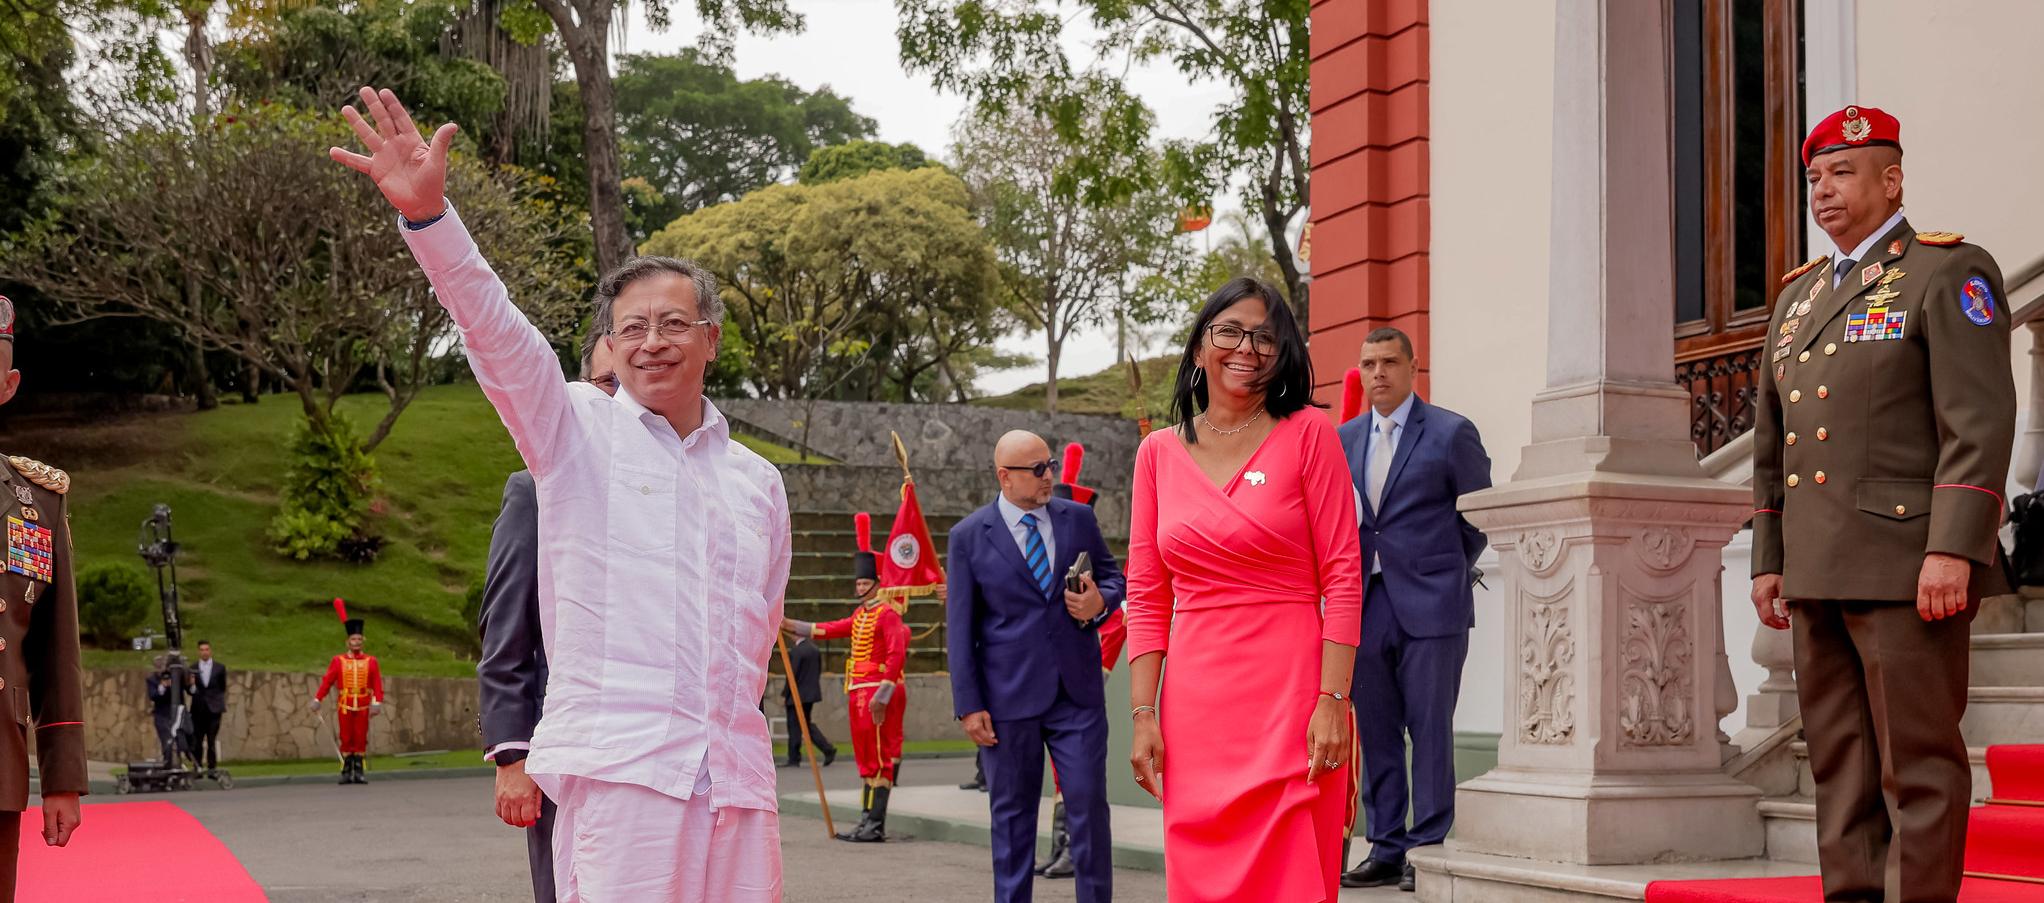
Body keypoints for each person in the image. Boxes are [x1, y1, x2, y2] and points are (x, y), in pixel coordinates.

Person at [332, 86, 792, 900]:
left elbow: (754, 642)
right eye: (633, 329)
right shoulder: (574, 432)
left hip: (737, 787)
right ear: (610, 346)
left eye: (675, 324)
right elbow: (497, 333)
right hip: (623, 780)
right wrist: (433, 223)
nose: (653, 343)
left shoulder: (758, 483)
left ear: (710, 339)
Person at [1750, 104, 2015, 903]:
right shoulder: (1796, 301)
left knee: (1920, 767)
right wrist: (1770, 561)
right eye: (1814, 178)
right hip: (1818, 568)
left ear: (1891, 179)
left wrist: (1953, 547)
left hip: (1908, 565)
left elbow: (1979, 419)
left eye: (1842, 173)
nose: (1822, 192)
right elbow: (1773, 442)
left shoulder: (1945, 271)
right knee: (1840, 768)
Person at [1125, 277, 1362, 902]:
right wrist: (1143, 715)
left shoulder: (1310, 433)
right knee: (1201, 876)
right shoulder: (1156, 454)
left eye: (1265, 336)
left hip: (1292, 697)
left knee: (1291, 876)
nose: (1247, 348)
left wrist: (1332, 699)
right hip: (1196, 704)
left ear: (1282, 353)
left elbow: (1343, 574)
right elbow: (1147, 593)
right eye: (1230, 331)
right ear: (1201, 345)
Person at [1336, 328, 1492, 893]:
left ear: (1412, 367)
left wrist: (1444, 566)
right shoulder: (1344, 438)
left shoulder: (1451, 433)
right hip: (1366, 605)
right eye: (1369, 363)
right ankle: (1385, 846)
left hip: (1433, 605)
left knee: (1429, 730)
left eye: (1389, 362)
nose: (1378, 373)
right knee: (1376, 731)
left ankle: (1425, 849)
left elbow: (1477, 514)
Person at [947, 430, 1125, 903]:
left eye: (1051, 465)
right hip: (1006, 701)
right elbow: (960, 628)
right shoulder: (968, 537)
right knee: (1012, 818)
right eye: (1039, 469)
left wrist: (1099, 602)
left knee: (1088, 807)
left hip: (1078, 695)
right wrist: (969, 705)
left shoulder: (1078, 518)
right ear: (1005, 477)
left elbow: (1112, 575)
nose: (1050, 476)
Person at [477, 330, 618, 903]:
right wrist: (512, 754)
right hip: (565, 753)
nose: (619, 403)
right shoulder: (536, 489)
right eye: (608, 385)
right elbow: (506, 630)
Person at [0, 298, 86, 899]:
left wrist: (61, 777)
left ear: (7, 386)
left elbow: (56, 649)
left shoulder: (35, 504)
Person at [782, 513, 909, 842]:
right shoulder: (860, 614)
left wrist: (883, 695)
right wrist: (786, 622)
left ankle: (876, 823)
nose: (860, 588)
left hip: (876, 692)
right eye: (858, 583)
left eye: (865, 583)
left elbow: (896, 656)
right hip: (857, 690)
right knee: (866, 759)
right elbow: (827, 629)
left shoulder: (888, 615)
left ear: (878, 584)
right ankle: (866, 819)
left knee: (880, 758)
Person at [312, 605, 385, 784]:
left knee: (360, 737)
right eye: (354, 639)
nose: (357, 642)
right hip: (345, 704)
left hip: (362, 704)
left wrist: (377, 702)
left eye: (359, 639)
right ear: (348, 641)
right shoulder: (338, 661)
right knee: (346, 737)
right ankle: (346, 771)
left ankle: (359, 771)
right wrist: (317, 699)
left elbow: (377, 683)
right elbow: (327, 681)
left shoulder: (371, 661)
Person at [777, 630, 833, 768]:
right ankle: (827, 748)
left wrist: (785, 694)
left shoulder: (796, 651)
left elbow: (792, 675)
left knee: (794, 726)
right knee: (805, 725)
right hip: (810, 695)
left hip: (797, 695)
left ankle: (794, 758)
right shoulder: (814, 649)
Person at [188, 640, 228, 774]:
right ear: (198, 651)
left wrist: (216, 700)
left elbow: (222, 687)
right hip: (198, 709)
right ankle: (198, 766)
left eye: (206, 649)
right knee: (197, 740)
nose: (204, 652)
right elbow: (190, 690)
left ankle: (212, 768)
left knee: (211, 739)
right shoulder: (193, 668)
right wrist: (192, 686)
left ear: (210, 651)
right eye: (202, 649)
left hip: (214, 709)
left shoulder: (219, 668)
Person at [146, 654, 179, 764]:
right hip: (161, 714)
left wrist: (170, 685)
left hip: (175, 713)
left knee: (178, 740)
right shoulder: (152, 680)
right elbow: (153, 695)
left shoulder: (173, 677)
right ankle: (167, 762)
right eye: (158, 666)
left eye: (163, 666)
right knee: (166, 740)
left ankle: (176, 762)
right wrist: (162, 687)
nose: (161, 668)